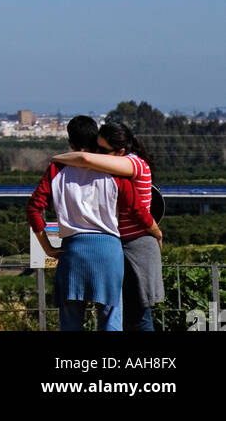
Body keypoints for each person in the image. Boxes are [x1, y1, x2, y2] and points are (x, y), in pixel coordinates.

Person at [27, 115, 162, 332]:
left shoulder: (56, 170)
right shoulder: (114, 171)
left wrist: (48, 248)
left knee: (70, 322)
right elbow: (136, 208)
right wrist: (155, 230)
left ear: (71, 143)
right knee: (111, 319)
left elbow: (34, 208)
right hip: (110, 251)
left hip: (72, 251)